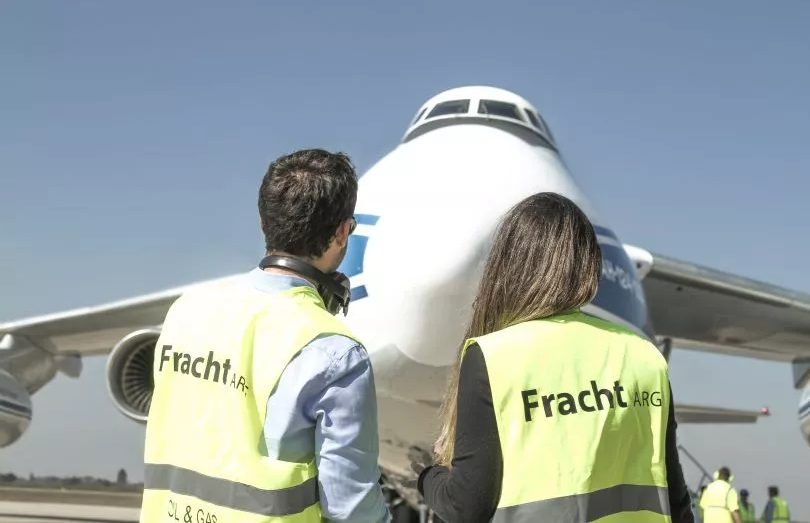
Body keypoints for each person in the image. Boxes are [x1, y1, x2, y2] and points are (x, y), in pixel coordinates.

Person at [139, 149, 390, 522]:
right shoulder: (333, 350)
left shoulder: (185, 311)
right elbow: (351, 508)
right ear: (342, 232)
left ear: (262, 222)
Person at [413, 192, 694, 523]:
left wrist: (426, 476)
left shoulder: (493, 356)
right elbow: (675, 500)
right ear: (589, 264)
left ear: (510, 264)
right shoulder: (645, 357)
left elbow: (466, 506)